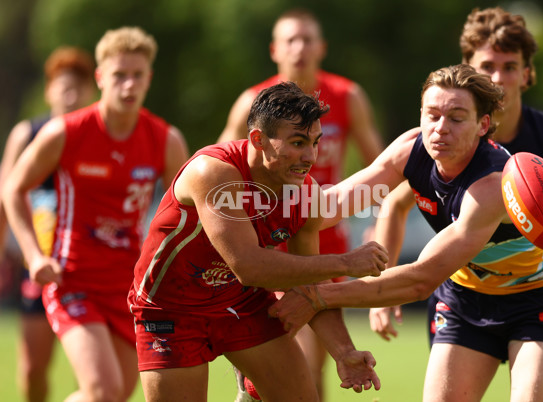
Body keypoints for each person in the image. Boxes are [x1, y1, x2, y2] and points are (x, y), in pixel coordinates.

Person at [270, 64, 543, 402]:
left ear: (483, 125)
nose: (440, 129)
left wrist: (317, 295)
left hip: (537, 299)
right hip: (465, 299)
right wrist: (263, 218)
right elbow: (331, 205)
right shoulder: (411, 150)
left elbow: (421, 280)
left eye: (456, 118)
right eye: (432, 114)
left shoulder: (491, 185)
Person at [127, 81, 387, 402]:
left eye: (315, 143)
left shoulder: (304, 192)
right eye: (297, 142)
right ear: (257, 139)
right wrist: (346, 262)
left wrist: (345, 352)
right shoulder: (213, 172)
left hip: (240, 302)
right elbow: (248, 266)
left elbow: (309, 284)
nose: (310, 157)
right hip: (170, 308)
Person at [369, 6, 543, 341]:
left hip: (537, 293)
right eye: (487, 67)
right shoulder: (443, 141)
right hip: (462, 294)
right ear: (469, 71)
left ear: (527, 73)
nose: (498, 78)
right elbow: (394, 204)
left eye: (510, 67)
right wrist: (382, 288)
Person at [2, 26, 189, 401]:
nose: (128, 85)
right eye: (119, 75)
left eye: (137, 75)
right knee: (101, 391)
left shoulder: (166, 140)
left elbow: (185, 212)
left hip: (128, 285)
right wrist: (34, 253)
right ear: (101, 78)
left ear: (148, 79)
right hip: (73, 279)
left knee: (114, 395)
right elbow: (13, 188)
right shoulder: (65, 132)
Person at [218, 8, 384, 399]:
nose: (300, 48)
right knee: (295, 360)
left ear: (322, 48)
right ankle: (253, 389)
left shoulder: (348, 96)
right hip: (266, 241)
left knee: (315, 365)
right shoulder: (251, 102)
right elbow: (223, 163)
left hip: (321, 235)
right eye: (290, 40)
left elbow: (379, 171)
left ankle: (253, 391)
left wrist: (379, 219)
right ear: (275, 50)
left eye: (307, 39)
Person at [0, 46, 96, 402]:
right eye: (62, 86)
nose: (70, 94)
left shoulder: (99, 134)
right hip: (39, 264)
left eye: (78, 86)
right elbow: (5, 198)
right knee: (32, 367)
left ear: (91, 90)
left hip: (90, 266)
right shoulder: (27, 133)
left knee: (96, 377)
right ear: (48, 90)